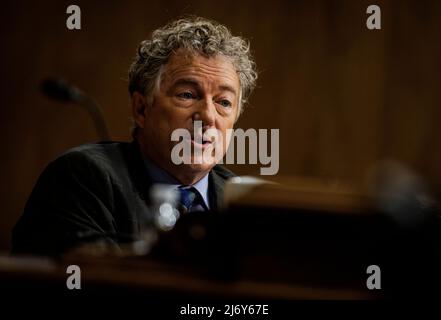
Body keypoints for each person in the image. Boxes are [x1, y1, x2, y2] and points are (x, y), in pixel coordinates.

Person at [12, 16, 258, 256]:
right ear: (141, 109)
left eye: (224, 102)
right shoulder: (83, 178)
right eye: (186, 95)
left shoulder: (247, 204)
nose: (208, 116)